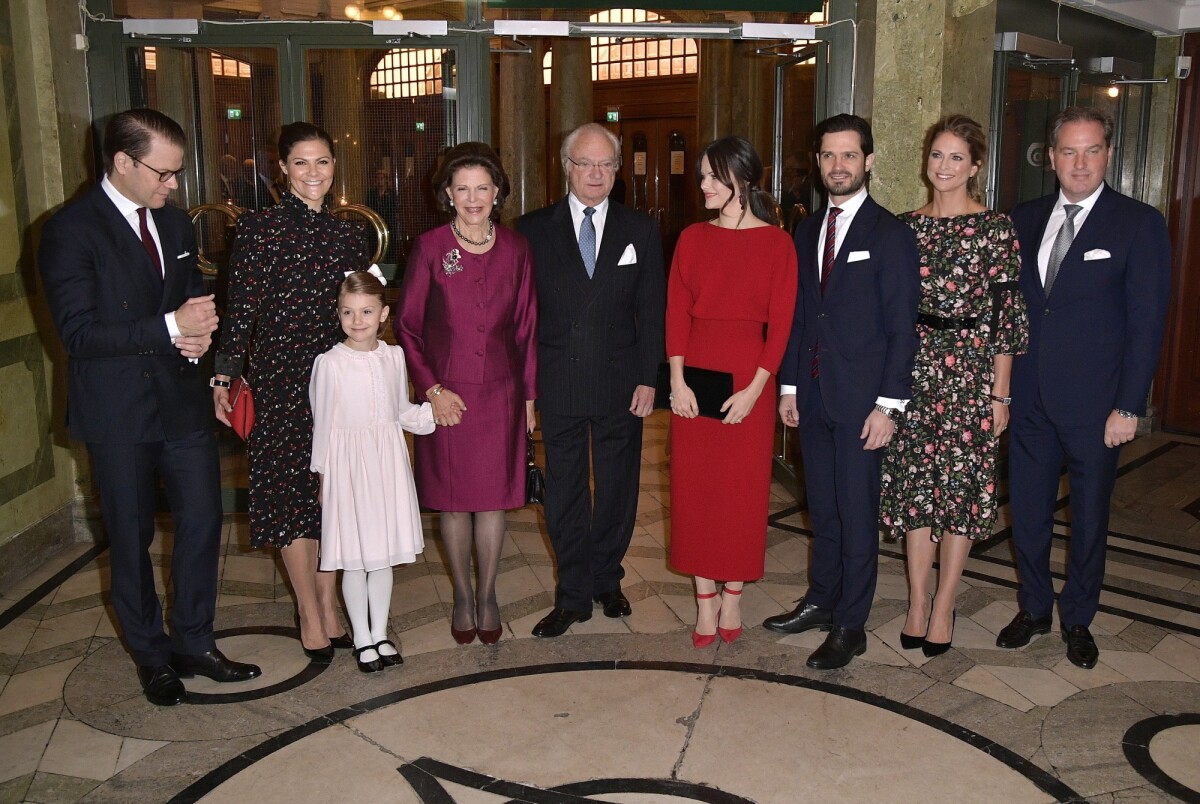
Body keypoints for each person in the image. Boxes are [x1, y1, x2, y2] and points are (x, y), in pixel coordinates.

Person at [39, 108, 260, 707]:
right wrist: (169, 326)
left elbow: (187, 302)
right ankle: (151, 654)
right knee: (131, 537)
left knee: (201, 523)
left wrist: (197, 335)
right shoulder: (69, 231)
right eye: (163, 173)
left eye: (176, 174)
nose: (172, 186)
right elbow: (79, 335)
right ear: (122, 163)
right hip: (118, 413)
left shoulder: (177, 225)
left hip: (180, 403)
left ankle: (194, 640)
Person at [997, 106, 1171, 669]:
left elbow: (1147, 324)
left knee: (1089, 517)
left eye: (1091, 150)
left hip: (1098, 407)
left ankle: (1078, 617)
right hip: (1028, 399)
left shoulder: (1138, 224)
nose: (1079, 162)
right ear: (1050, 157)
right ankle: (1033, 607)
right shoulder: (1022, 218)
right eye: (1068, 151)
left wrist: (1129, 405)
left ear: (1108, 155)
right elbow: (1010, 310)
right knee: (1026, 510)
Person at [763, 114, 921, 670]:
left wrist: (889, 405)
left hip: (864, 406)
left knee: (857, 516)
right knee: (822, 512)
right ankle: (821, 601)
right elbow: (802, 316)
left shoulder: (892, 235)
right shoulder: (805, 230)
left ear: (869, 161)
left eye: (849, 156)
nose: (838, 166)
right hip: (812, 396)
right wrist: (787, 387)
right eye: (829, 156)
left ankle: (851, 624)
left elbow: (904, 327)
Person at [212, 121, 369, 664]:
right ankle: (308, 608)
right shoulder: (259, 228)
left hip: (336, 379)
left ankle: (329, 605)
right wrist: (224, 374)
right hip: (280, 381)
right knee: (290, 499)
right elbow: (242, 309)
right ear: (281, 168)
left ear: (334, 167)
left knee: (332, 496)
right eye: (301, 162)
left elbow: (361, 312)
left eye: (322, 161)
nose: (312, 173)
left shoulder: (350, 235)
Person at [879, 115, 1028, 657]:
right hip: (912, 371)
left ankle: (945, 604)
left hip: (969, 374)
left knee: (959, 495)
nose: (943, 166)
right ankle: (917, 601)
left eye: (956, 158)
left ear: (976, 166)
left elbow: (1006, 318)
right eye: (937, 155)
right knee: (917, 489)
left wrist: (1000, 394)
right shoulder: (903, 227)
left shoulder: (995, 228)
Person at [517, 123, 666, 637]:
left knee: (620, 488)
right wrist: (528, 389)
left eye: (606, 163)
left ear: (617, 168)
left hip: (621, 381)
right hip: (558, 380)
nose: (596, 173)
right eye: (586, 163)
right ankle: (573, 593)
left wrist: (650, 377)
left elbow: (652, 311)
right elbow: (524, 318)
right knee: (565, 491)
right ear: (567, 167)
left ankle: (608, 578)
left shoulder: (640, 230)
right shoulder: (531, 230)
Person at [395, 142, 537, 646]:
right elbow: (408, 327)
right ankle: (460, 593)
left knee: (493, 502)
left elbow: (525, 329)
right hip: (447, 395)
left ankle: (488, 593)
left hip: (501, 393)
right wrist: (432, 390)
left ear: (497, 192)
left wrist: (528, 400)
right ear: (448, 195)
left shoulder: (518, 249)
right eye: (462, 189)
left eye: (482, 188)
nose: (472, 198)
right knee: (455, 503)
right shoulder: (431, 247)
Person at [667, 137, 797, 648]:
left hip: (751, 375)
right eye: (701, 176)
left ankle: (734, 594)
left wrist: (756, 389)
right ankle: (704, 600)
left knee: (741, 493)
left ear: (741, 179)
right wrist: (676, 380)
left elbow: (783, 323)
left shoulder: (777, 243)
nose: (702, 186)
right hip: (695, 371)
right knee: (695, 490)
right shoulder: (692, 238)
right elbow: (676, 310)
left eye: (711, 177)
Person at [310, 272, 435, 672]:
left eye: (366, 312)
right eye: (348, 312)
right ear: (338, 314)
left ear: (383, 313)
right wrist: (324, 476)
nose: (357, 320)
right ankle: (361, 638)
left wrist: (434, 413)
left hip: (386, 463)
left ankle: (380, 633)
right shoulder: (329, 363)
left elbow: (400, 409)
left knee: (380, 557)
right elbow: (324, 424)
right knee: (355, 559)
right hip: (348, 468)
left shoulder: (393, 357)